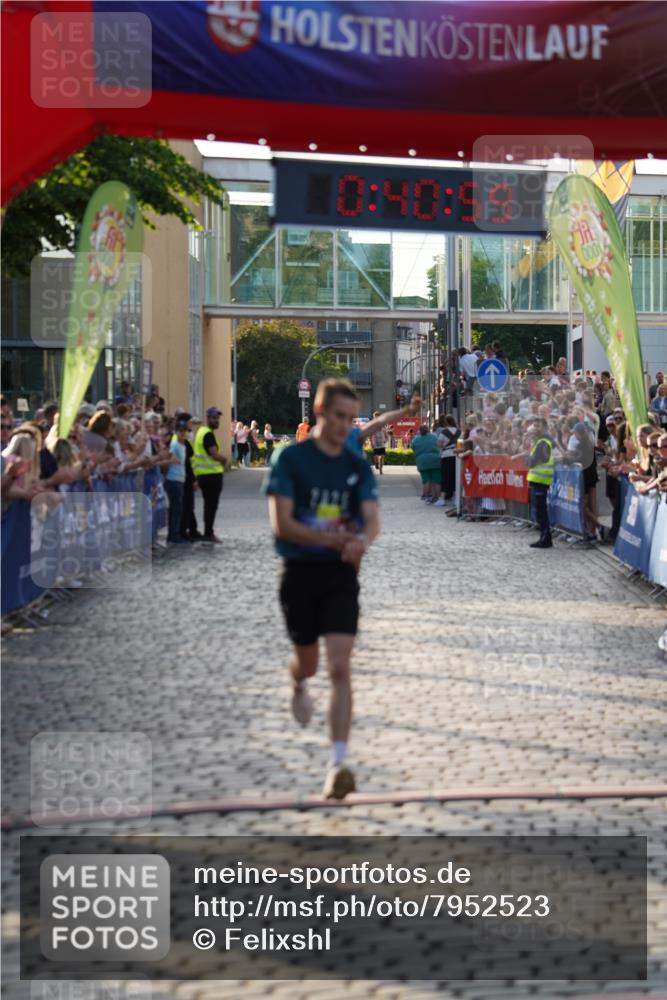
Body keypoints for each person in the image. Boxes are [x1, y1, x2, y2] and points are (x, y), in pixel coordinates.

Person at [263, 378, 379, 800]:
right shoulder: (290, 459)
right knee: (308, 664)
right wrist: (336, 539)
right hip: (299, 572)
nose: (346, 427)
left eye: (352, 419)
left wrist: (361, 542)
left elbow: (371, 520)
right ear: (320, 412)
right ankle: (296, 681)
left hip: (340, 575)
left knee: (341, 667)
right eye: (339, 417)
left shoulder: (356, 465)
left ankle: (338, 764)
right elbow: (284, 524)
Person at [191, 406, 228, 543]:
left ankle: (207, 531)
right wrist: (223, 459)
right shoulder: (207, 434)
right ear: (208, 419)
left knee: (209, 505)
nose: (217, 421)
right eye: (214, 418)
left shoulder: (201, 431)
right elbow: (213, 453)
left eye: (218, 418)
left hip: (203, 475)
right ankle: (208, 533)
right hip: (211, 476)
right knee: (211, 506)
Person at [346, 394, 421, 456]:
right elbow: (381, 420)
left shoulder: (353, 434)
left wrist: (408, 409)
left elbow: (382, 420)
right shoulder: (350, 436)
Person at [524, 418, 557, 549]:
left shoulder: (543, 442)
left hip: (541, 481)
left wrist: (528, 458)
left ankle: (545, 538)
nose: (534, 428)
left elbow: (533, 461)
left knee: (541, 512)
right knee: (540, 511)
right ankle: (544, 537)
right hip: (539, 480)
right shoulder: (540, 442)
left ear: (544, 427)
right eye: (533, 426)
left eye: (537, 426)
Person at [164, 418, 188, 543]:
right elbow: (170, 457)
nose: (183, 433)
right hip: (173, 479)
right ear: (176, 432)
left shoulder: (183, 445)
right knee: (176, 508)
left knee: (176, 507)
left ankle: (173, 533)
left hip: (180, 478)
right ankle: (174, 534)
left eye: (184, 431)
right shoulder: (174, 445)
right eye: (180, 431)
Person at [411, 424, 441, 503]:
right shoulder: (434, 436)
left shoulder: (416, 439)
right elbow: (439, 446)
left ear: (420, 431)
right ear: (428, 430)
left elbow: (413, 448)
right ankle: (437, 497)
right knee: (436, 480)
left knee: (426, 480)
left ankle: (426, 496)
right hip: (436, 460)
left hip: (422, 461)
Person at [437, 415, 459, 505]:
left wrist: (444, 446)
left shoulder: (444, 432)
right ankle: (455, 497)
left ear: (445, 422)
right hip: (457, 456)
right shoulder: (459, 432)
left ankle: (442, 498)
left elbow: (439, 444)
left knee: (445, 477)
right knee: (455, 476)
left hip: (446, 455)